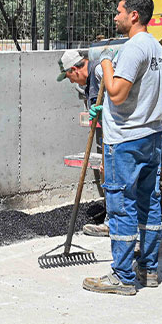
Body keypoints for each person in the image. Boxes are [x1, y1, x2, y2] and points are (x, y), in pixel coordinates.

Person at [83, 0, 162, 296]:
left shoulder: (133, 49)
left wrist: (105, 64)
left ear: (134, 15)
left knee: (121, 205)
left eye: (119, 12)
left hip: (127, 139)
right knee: (148, 203)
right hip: (150, 134)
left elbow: (117, 93)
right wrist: (105, 110)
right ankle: (149, 269)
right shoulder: (158, 49)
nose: (115, 17)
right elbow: (139, 95)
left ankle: (122, 276)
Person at [57, 49, 109, 237]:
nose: (71, 81)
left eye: (69, 76)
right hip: (111, 134)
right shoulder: (89, 82)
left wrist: (109, 109)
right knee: (108, 175)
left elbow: (119, 91)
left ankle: (121, 224)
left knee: (117, 179)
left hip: (124, 131)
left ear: (75, 69)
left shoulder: (99, 70)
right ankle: (112, 220)